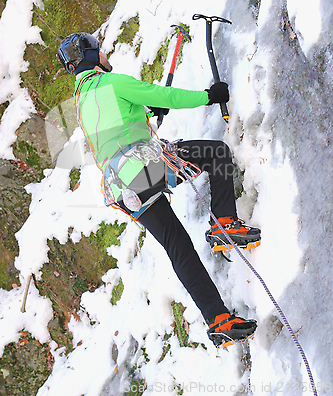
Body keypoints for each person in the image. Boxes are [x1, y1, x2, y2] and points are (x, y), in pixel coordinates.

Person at [58, 32, 260, 348]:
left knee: (177, 245)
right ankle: (224, 223)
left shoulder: (83, 102)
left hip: (123, 188)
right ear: (90, 55)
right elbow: (165, 95)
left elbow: (118, 126)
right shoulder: (114, 83)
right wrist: (209, 95)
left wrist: (147, 114)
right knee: (217, 153)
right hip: (143, 165)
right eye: (100, 50)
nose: (104, 53)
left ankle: (218, 319)